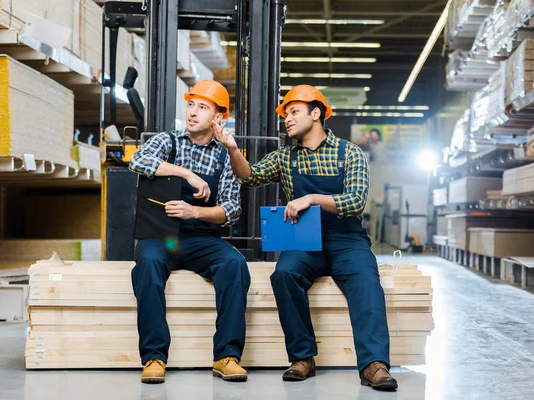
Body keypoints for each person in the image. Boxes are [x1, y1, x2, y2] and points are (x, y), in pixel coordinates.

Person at [212, 84, 398, 391]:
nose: (286, 118)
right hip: (304, 240)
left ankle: (373, 364)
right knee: (284, 274)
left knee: (367, 283)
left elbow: (355, 201)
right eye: (285, 113)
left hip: (346, 239)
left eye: (293, 111)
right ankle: (302, 357)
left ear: (316, 114)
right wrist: (232, 149)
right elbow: (249, 177)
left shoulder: (349, 153)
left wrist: (311, 198)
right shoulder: (285, 157)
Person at [129, 80, 250, 384]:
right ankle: (154, 357)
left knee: (234, 264)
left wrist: (194, 211)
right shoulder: (168, 141)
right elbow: (137, 160)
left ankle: (226, 356)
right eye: (191, 104)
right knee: (148, 263)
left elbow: (231, 209)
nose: (193, 112)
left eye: (203, 107)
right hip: (160, 235)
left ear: (218, 117)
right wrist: (186, 173)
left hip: (200, 238)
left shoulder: (225, 157)